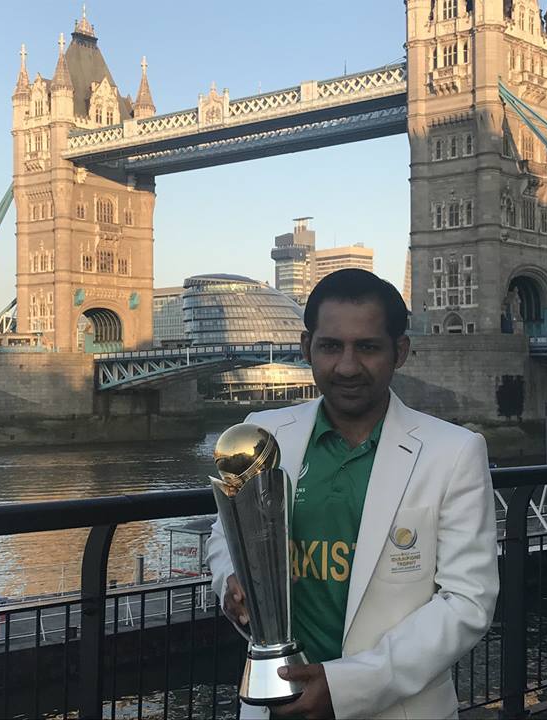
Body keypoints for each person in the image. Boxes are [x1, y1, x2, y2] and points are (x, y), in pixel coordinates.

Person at [206, 269, 499, 719]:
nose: (346, 366)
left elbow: (467, 601)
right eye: (330, 346)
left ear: (399, 352)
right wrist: (231, 578)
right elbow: (226, 533)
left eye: (367, 347)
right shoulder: (264, 433)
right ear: (306, 348)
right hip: (273, 704)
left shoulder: (454, 452)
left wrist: (347, 686)